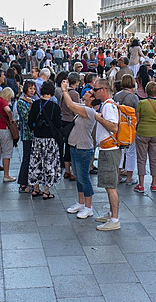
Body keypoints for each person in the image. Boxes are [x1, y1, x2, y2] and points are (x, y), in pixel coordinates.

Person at [61, 79, 97, 219]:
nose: (86, 92)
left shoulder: (88, 111)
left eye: (89, 93)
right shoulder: (83, 107)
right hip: (76, 146)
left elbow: (70, 104)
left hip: (83, 148)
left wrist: (64, 90)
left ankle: (88, 206)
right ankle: (81, 203)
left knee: (84, 178)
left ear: (93, 99)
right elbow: (71, 104)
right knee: (79, 177)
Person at [92, 78, 123, 231]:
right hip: (106, 149)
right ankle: (111, 214)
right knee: (107, 184)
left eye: (96, 90)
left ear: (103, 90)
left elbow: (114, 127)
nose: (93, 92)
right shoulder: (106, 105)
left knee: (111, 186)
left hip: (110, 150)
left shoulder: (108, 106)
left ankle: (115, 219)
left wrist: (99, 118)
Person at [27, 81, 61, 199]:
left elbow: (30, 121)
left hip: (37, 138)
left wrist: (34, 130)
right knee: (49, 163)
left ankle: (36, 188)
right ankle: (47, 191)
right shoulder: (55, 106)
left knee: (36, 162)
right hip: (50, 139)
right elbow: (58, 124)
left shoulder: (35, 104)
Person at [134, 82, 156, 193]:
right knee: (154, 159)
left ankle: (141, 185)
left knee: (141, 159)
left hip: (142, 131)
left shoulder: (141, 103)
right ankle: (154, 183)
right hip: (155, 132)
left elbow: (138, 119)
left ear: (146, 91)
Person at [114, 74, 139, 185]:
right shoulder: (134, 97)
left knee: (120, 151)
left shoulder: (117, 96)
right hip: (130, 128)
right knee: (131, 152)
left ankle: (118, 175)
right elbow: (137, 115)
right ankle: (129, 177)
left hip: (119, 127)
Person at [60, 72, 81, 180]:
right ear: (76, 82)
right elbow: (76, 109)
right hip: (72, 121)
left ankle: (67, 171)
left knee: (67, 146)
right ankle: (73, 171)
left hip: (64, 120)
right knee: (73, 146)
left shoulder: (65, 92)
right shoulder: (75, 94)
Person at [16, 81, 36, 193]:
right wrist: (31, 107)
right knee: (26, 158)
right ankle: (23, 183)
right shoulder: (21, 102)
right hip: (27, 134)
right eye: (30, 88)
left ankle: (30, 181)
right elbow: (26, 117)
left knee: (31, 159)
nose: (32, 90)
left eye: (33, 88)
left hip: (33, 134)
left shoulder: (32, 100)